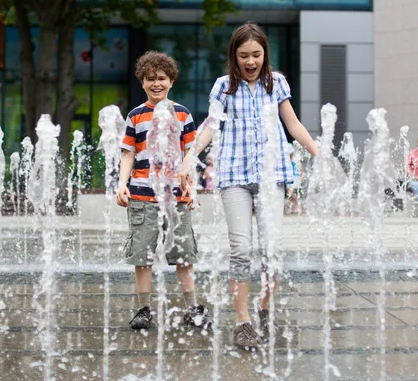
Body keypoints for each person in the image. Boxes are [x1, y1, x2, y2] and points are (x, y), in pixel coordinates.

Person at [183, 21, 319, 350]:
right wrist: (190, 156)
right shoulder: (223, 87)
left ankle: (265, 310)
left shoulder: (278, 84)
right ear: (234, 56)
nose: (250, 62)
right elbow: (211, 125)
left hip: (272, 176)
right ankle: (242, 320)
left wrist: (319, 153)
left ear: (264, 54)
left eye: (256, 55)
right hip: (233, 178)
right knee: (241, 250)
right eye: (243, 55)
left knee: (272, 250)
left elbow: (293, 124)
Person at [117, 51, 211, 331]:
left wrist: (192, 189)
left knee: (184, 254)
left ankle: (192, 307)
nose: (156, 83)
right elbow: (128, 155)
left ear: (171, 81)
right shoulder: (135, 116)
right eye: (150, 79)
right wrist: (122, 184)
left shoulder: (182, 114)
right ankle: (144, 309)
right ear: (142, 82)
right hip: (142, 197)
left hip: (176, 198)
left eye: (161, 78)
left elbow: (190, 154)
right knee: (142, 256)